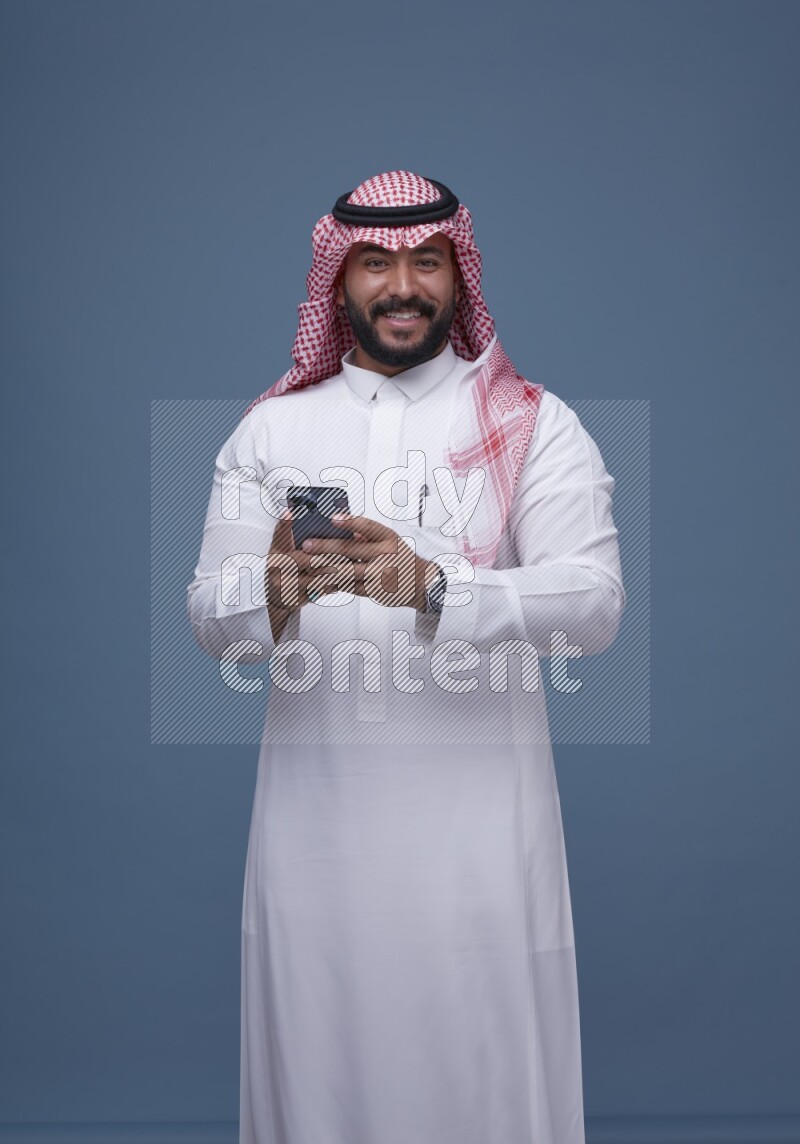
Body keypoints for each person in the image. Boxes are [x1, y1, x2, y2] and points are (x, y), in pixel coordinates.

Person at [187, 171, 625, 1144]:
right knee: (320, 1077)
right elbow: (209, 619)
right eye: (374, 262)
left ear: (456, 276)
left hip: (479, 849)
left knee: (480, 1083)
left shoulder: (530, 423)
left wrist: (433, 586)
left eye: (425, 261)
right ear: (335, 282)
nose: (400, 285)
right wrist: (272, 592)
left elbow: (591, 605)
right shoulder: (272, 430)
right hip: (317, 844)